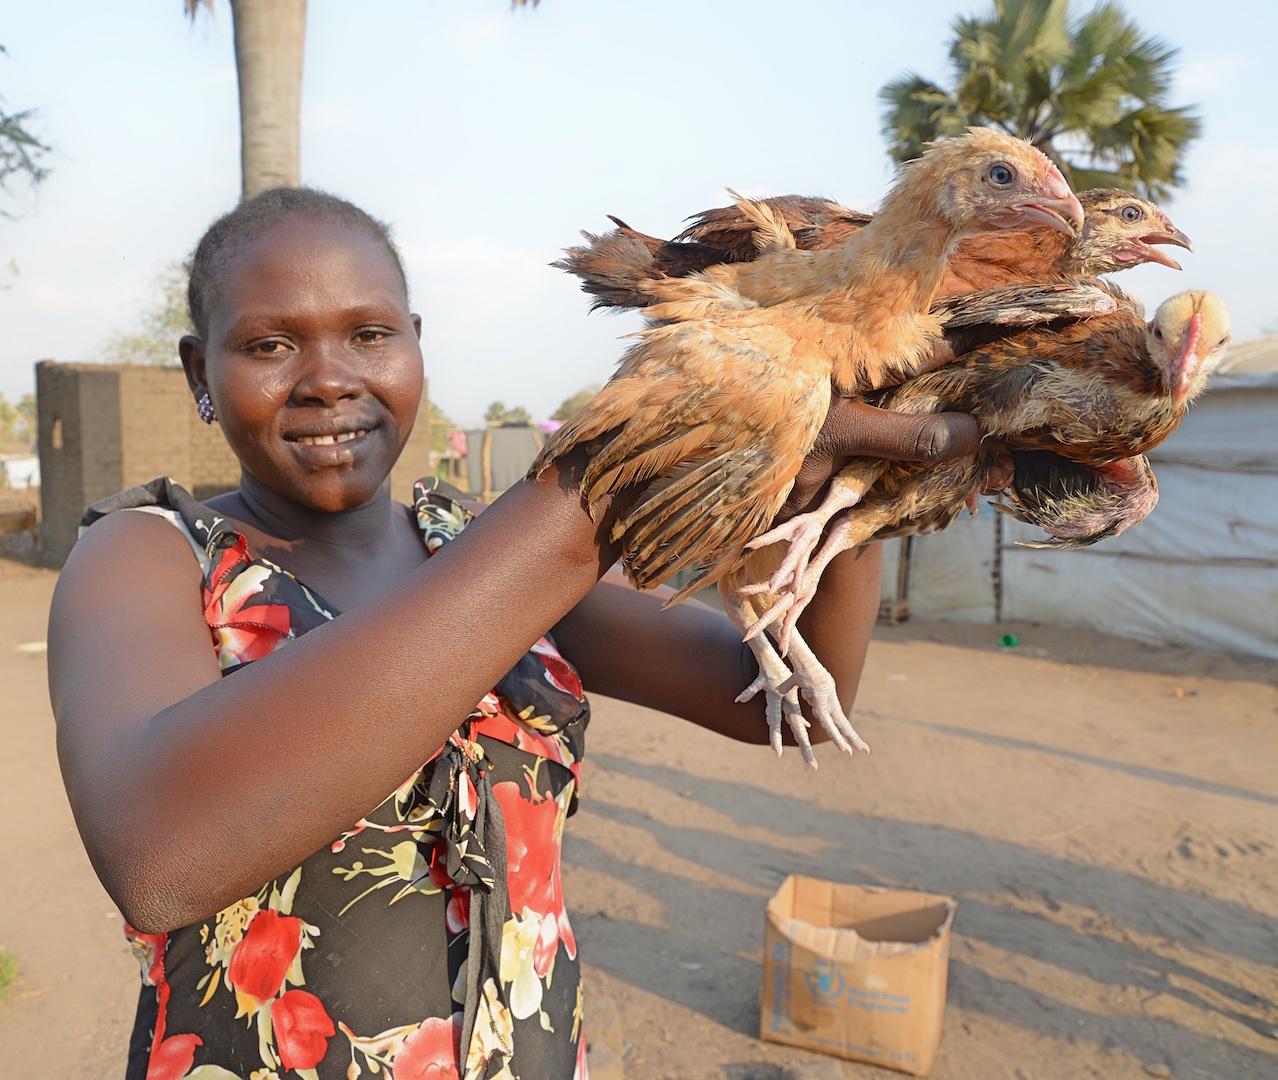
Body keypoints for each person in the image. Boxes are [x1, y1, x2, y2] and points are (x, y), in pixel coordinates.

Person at [49, 188, 990, 1080]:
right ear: (197, 374)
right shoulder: (148, 556)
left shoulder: (479, 545)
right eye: (269, 345)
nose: (329, 379)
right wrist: (609, 473)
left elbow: (776, 696)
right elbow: (160, 858)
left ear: (416, 347)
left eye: (370, 335)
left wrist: (849, 484)